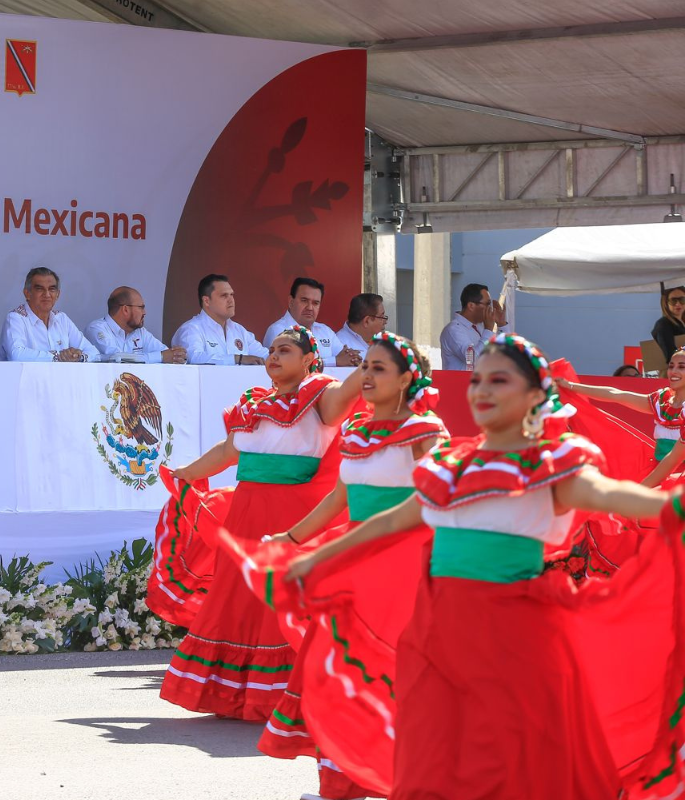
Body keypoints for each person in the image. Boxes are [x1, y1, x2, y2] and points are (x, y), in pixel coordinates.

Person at [278, 333, 685, 799]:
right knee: (435, 752)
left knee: (511, 756)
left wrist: (671, 503)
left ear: (535, 394)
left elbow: (609, 494)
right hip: (437, 631)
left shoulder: (550, 465)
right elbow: (398, 517)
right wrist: (314, 557)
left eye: (499, 380)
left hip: (514, 635)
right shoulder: (452, 465)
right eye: (477, 380)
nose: (482, 391)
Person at [249, 332, 444, 800]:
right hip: (355, 564)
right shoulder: (355, 431)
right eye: (365, 367)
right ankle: (340, 782)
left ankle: (408, 779)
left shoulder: (424, 431)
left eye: (379, 369)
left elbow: (435, 497)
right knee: (341, 672)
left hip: (404, 567)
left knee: (393, 673)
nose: (367, 376)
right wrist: (290, 538)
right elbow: (340, 499)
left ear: (406, 379)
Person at [158, 325, 362, 720]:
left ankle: (291, 696)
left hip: (293, 517)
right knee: (239, 600)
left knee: (280, 603)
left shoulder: (320, 395)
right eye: (271, 349)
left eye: (285, 350)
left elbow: (350, 391)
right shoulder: (253, 405)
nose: (274, 356)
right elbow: (228, 451)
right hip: (246, 516)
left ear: (308, 360)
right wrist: (187, 471)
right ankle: (236, 695)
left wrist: (376, 358)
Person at [557, 349, 685, 485]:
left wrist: (641, 490)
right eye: (671, 366)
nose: (673, 371)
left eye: (682, 367)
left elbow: (673, 459)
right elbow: (616, 394)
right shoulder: (662, 402)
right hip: (658, 472)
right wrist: (570, 386)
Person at [0, 267, 99, 362]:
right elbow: (16, 355)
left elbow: (94, 353)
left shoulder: (61, 318)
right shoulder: (16, 318)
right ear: (27, 293)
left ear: (57, 294)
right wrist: (58, 356)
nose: (47, 295)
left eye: (52, 289)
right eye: (40, 289)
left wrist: (77, 356)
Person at [170, 273, 268, 365]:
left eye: (232, 295)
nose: (231, 300)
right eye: (224, 295)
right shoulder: (191, 329)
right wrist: (238, 359)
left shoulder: (239, 330)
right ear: (206, 301)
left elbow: (264, 355)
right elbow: (193, 357)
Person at [262, 277, 356, 366]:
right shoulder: (278, 330)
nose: (310, 308)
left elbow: (344, 356)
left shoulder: (325, 331)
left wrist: (353, 358)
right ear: (291, 302)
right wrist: (334, 361)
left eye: (315, 303)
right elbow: (290, 364)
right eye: (304, 300)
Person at [85, 286, 187, 363]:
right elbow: (117, 358)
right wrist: (160, 357)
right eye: (141, 307)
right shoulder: (96, 329)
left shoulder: (140, 332)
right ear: (125, 309)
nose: (145, 312)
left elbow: (165, 352)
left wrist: (176, 355)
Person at [438, 283, 506, 369]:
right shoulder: (453, 330)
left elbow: (504, 352)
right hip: (460, 382)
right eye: (487, 304)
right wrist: (488, 329)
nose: (490, 309)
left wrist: (501, 324)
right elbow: (472, 360)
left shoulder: (481, 327)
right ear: (471, 306)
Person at [653, 285, 685, 363]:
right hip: (673, 370)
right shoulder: (664, 324)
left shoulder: (682, 322)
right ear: (665, 303)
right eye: (673, 300)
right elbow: (670, 354)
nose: (678, 304)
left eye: (682, 300)